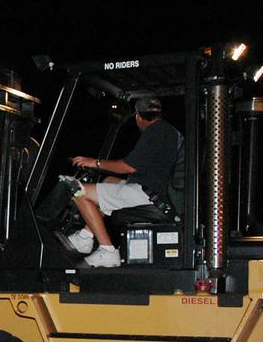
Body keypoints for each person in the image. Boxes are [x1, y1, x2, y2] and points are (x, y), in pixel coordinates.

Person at [65, 97, 182, 268]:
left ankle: (107, 250)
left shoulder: (154, 132)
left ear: (138, 116)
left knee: (77, 190)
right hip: (155, 189)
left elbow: (128, 167)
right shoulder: (168, 131)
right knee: (109, 180)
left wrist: (95, 162)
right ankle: (85, 236)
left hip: (148, 194)